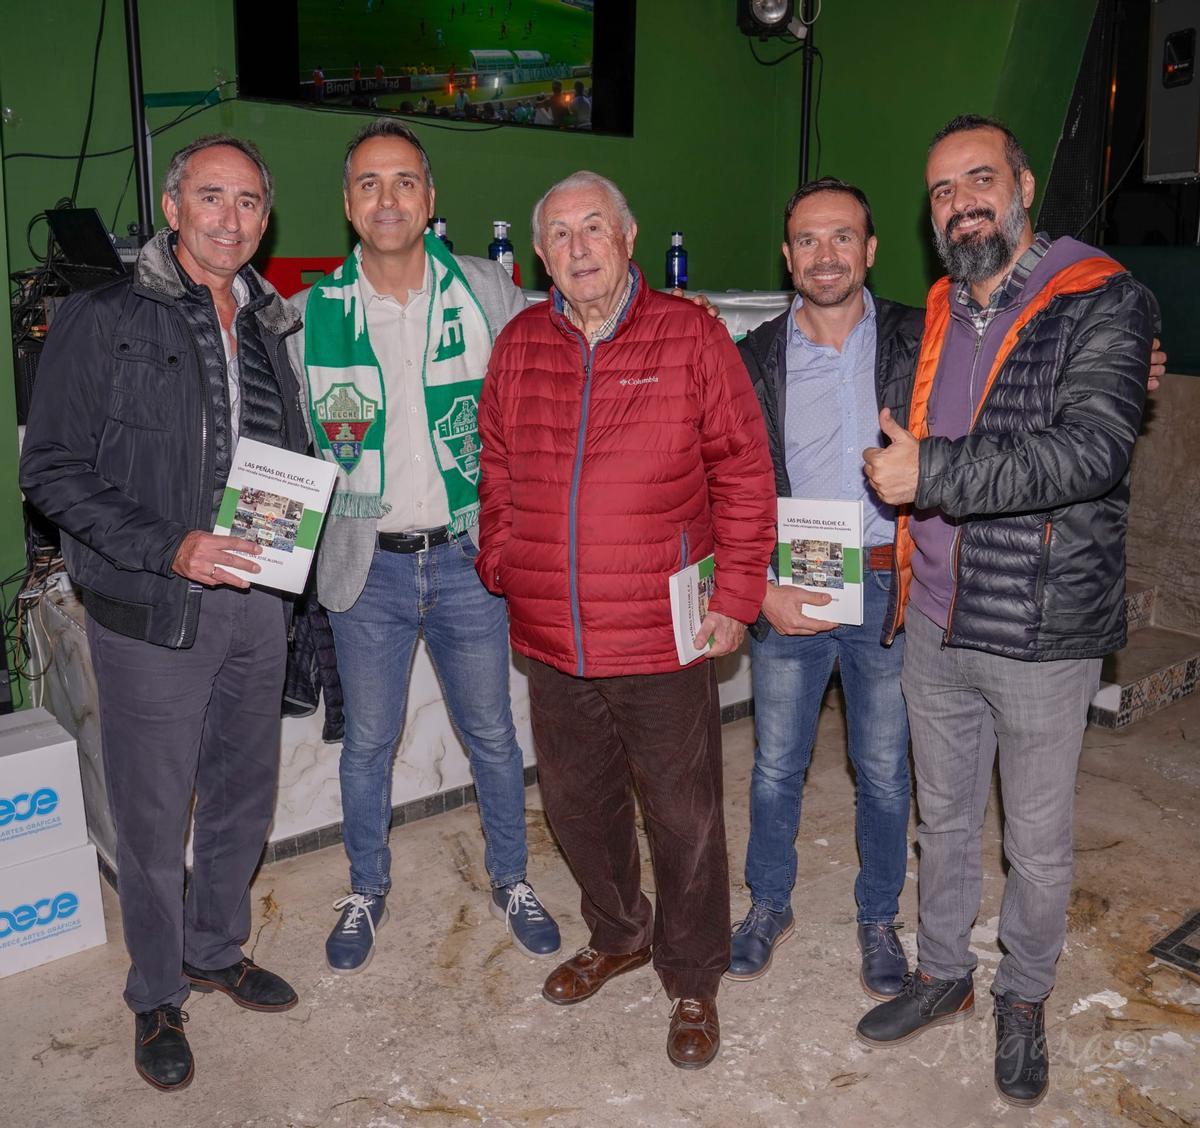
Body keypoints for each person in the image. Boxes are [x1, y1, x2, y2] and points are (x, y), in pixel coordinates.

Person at [857, 115, 1157, 1109]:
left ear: (1023, 185)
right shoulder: (941, 305)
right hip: (936, 618)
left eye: (979, 180)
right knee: (940, 821)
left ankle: (1023, 996)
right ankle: (944, 970)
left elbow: (1090, 453)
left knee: (1035, 840)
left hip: (1038, 629)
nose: (960, 203)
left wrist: (928, 472)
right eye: (942, 191)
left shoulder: (1104, 300)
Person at [20, 135, 307, 1092]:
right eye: (212, 198)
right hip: (152, 605)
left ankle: (216, 949)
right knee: (150, 817)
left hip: (255, 603)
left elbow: (282, 456)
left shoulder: (271, 326)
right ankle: (154, 992)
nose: (232, 219)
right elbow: (49, 469)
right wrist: (171, 544)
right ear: (174, 207)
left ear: (266, 219)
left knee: (241, 794)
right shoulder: (104, 317)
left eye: (250, 203)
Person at [475, 170, 776, 1069]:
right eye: (559, 234)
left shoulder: (690, 338)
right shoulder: (520, 342)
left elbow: (744, 472)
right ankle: (618, 932)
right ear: (541, 255)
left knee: (683, 815)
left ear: (629, 236)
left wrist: (737, 595)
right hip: (553, 636)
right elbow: (492, 463)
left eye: (593, 227)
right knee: (578, 806)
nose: (577, 247)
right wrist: (503, 557)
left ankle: (691, 978)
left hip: (658, 633)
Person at [284, 118, 560, 975]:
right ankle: (366, 886)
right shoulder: (306, 316)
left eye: (404, 181)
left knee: (491, 734)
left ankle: (511, 877)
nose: (388, 198)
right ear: (346, 204)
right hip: (368, 569)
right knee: (369, 741)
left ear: (431, 199)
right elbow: (283, 446)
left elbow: (559, 375)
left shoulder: (490, 291)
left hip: (470, 557)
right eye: (369, 183)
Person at [727, 178, 923, 999]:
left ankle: (879, 917)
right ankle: (768, 904)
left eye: (842, 237)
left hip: (887, 584)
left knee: (883, 769)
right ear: (787, 255)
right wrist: (754, 586)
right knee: (777, 764)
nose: (825, 254)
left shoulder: (923, 337)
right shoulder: (756, 355)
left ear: (871, 250)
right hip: (792, 583)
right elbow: (729, 479)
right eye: (808, 240)